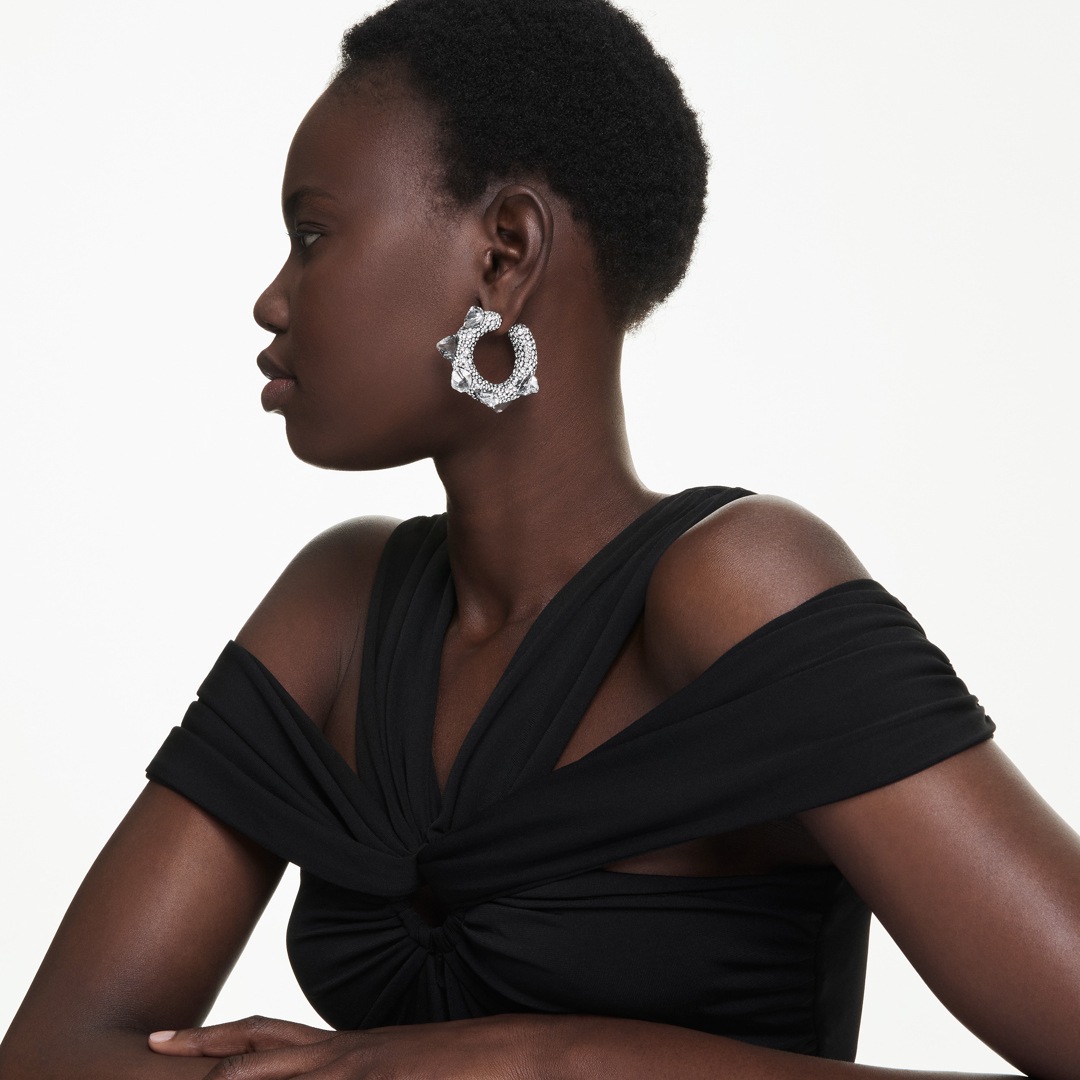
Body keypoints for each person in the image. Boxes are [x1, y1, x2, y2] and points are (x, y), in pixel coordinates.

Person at [2, 0, 1078, 1077]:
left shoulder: (737, 583)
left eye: (313, 234)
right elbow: (49, 1057)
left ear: (504, 255)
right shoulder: (340, 607)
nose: (271, 300)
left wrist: (548, 1058)